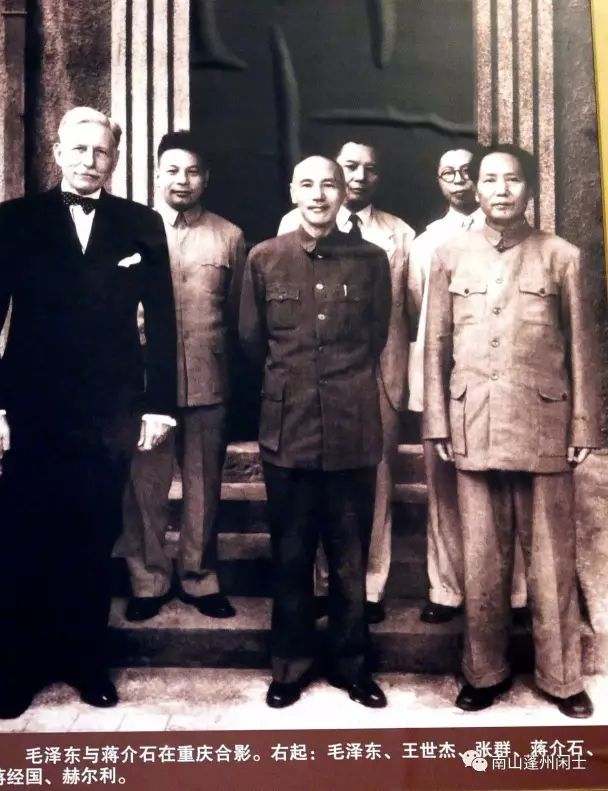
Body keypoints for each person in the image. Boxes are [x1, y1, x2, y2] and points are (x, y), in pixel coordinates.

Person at [0, 107, 177, 718]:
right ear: (58, 152)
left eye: (101, 150)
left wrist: (158, 406)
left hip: (108, 413)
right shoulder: (16, 218)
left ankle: (87, 662)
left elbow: (164, 323)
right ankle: (21, 668)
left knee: (93, 535)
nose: (90, 160)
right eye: (79, 149)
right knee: (26, 535)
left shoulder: (140, 224)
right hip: (30, 409)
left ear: (115, 159)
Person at [423, 143, 601, 718]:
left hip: (544, 424)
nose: (501, 190)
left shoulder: (562, 256)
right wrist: (437, 421)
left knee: (550, 562)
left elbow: (583, 348)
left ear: (530, 189)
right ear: (475, 189)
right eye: (490, 180)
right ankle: (484, 671)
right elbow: (436, 347)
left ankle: (562, 678)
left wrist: (583, 425)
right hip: (473, 422)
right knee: (481, 560)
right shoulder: (448, 256)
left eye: (513, 180)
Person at [240, 155, 391, 709]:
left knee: (349, 558)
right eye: (307, 184)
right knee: (291, 554)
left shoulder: (371, 260)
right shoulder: (265, 257)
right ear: (292, 192)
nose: (319, 194)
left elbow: (376, 335)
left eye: (329, 184)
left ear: (343, 192)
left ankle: (352, 666)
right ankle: (290, 666)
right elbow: (251, 340)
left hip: (352, 428)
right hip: (289, 429)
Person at [279, 140, 415, 624]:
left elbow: (401, 311)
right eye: (350, 167)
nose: (359, 177)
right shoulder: (288, 228)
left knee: (372, 487)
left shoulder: (399, 234)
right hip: (311, 382)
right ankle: (321, 587)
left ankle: (370, 587)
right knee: (313, 492)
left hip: (376, 374)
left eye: (368, 169)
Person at [116, 132, 244, 620]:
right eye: (172, 170)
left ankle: (199, 577)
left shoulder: (229, 236)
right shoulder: (131, 230)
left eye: (192, 171)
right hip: (146, 385)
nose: (182, 180)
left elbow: (237, 315)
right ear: (156, 174)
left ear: (205, 178)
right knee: (144, 487)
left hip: (208, 379)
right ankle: (148, 580)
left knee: (203, 488)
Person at [408, 148, 527, 624]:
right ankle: (446, 589)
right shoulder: (427, 243)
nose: (459, 180)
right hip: (447, 381)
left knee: (511, 489)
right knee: (444, 492)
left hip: (505, 383)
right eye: (448, 173)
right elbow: (420, 314)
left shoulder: (518, 238)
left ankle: (516, 596)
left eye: (466, 172)